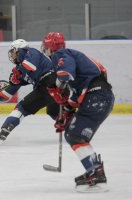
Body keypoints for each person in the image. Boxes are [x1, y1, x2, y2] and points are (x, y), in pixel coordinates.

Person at [41, 32, 114, 192]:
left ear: (50, 47)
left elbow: (66, 73)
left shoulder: (61, 54)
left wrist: (58, 86)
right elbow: (74, 95)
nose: (45, 50)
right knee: (75, 135)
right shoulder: (76, 60)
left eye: (46, 47)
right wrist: (65, 113)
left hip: (96, 97)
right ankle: (95, 171)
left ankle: (96, 173)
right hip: (100, 97)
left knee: (75, 136)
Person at [0, 39, 60, 143]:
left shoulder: (31, 52)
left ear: (19, 50)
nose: (12, 56)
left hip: (51, 82)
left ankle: (4, 132)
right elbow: (11, 90)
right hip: (56, 88)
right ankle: (74, 128)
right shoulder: (20, 68)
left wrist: (18, 72)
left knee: (21, 108)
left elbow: (30, 65)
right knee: (53, 111)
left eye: (13, 52)